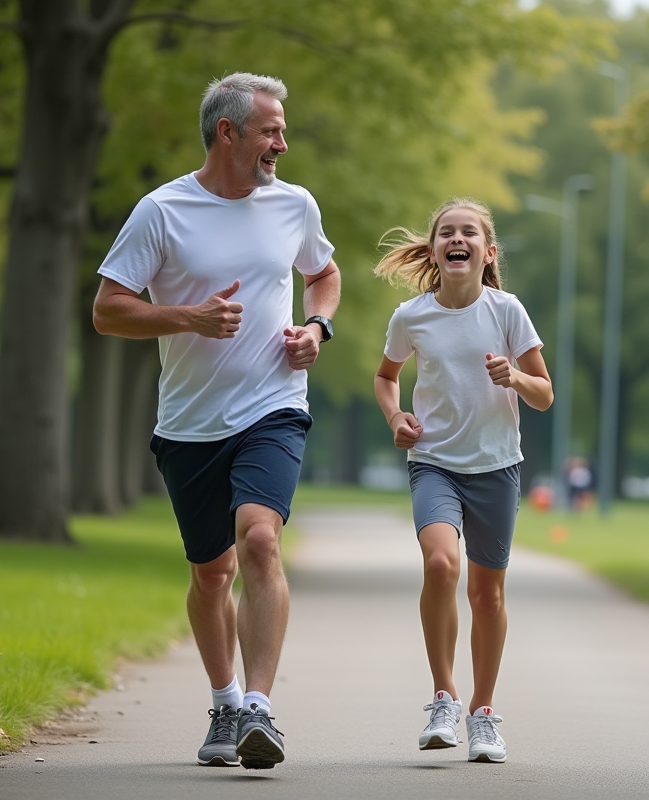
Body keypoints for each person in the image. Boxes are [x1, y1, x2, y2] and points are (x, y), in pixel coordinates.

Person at [92, 73, 340, 770]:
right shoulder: (162, 211)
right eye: (270, 131)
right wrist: (187, 317)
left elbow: (324, 273)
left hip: (274, 405)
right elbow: (108, 309)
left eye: (281, 130)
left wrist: (317, 326)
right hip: (189, 423)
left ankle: (260, 710)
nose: (282, 144)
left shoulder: (294, 205)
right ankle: (226, 700)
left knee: (259, 540)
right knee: (210, 574)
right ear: (228, 133)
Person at [373, 198, 553, 763]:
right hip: (434, 462)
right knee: (440, 564)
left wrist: (515, 375)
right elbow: (385, 378)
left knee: (486, 592)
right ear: (434, 251)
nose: (457, 239)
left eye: (468, 232)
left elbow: (545, 395)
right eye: (446, 232)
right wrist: (397, 417)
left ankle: (482, 712)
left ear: (486, 251)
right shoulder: (411, 316)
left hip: (497, 466)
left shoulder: (507, 311)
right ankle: (444, 696)